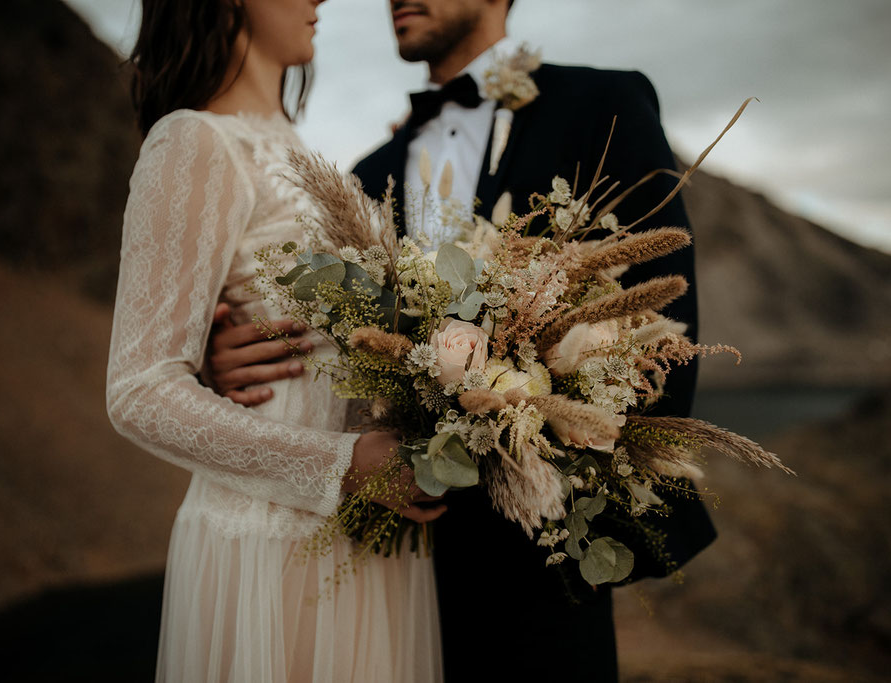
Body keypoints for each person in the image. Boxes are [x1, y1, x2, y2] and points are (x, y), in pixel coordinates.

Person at [207, 0, 716, 679]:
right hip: (392, 563)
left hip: (547, 568)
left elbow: (664, 320)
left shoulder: (603, 102)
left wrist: (587, 512)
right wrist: (222, 359)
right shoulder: (365, 175)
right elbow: (340, 346)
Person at [105, 1, 445, 681]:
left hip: (365, 543)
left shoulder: (301, 150)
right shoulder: (193, 140)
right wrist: (344, 462)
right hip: (268, 546)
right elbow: (139, 389)